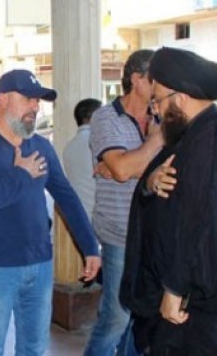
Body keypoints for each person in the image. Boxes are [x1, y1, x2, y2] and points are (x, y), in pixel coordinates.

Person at [120, 46, 217, 355]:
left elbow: (210, 230)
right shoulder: (192, 135)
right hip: (183, 309)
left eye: (158, 100)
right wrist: (150, 182)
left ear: (181, 98)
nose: (155, 110)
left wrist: (175, 289)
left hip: (198, 318)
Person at [0, 69, 101, 355]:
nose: (36, 107)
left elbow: (67, 198)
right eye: (28, 99)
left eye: (38, 101)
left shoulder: (41, 147)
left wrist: (90, 247)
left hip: (39, 264)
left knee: (35, 348)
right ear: (2, 99)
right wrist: (21, 175)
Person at [85, 49, 162, 356]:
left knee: (143, 316)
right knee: (116, 316)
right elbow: (120, 169)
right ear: (136, 79)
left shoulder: (163, 115)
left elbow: (173, 169)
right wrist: (156, 140)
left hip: (155, 234)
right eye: (156, 78)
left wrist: (128, 165)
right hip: (120, 233)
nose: (162, 85)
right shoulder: (106, 117)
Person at [62, 98, 102, 220]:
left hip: (79, 218)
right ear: (91, 118)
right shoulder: (99, 143)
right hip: (101, 219)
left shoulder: (68, 148)